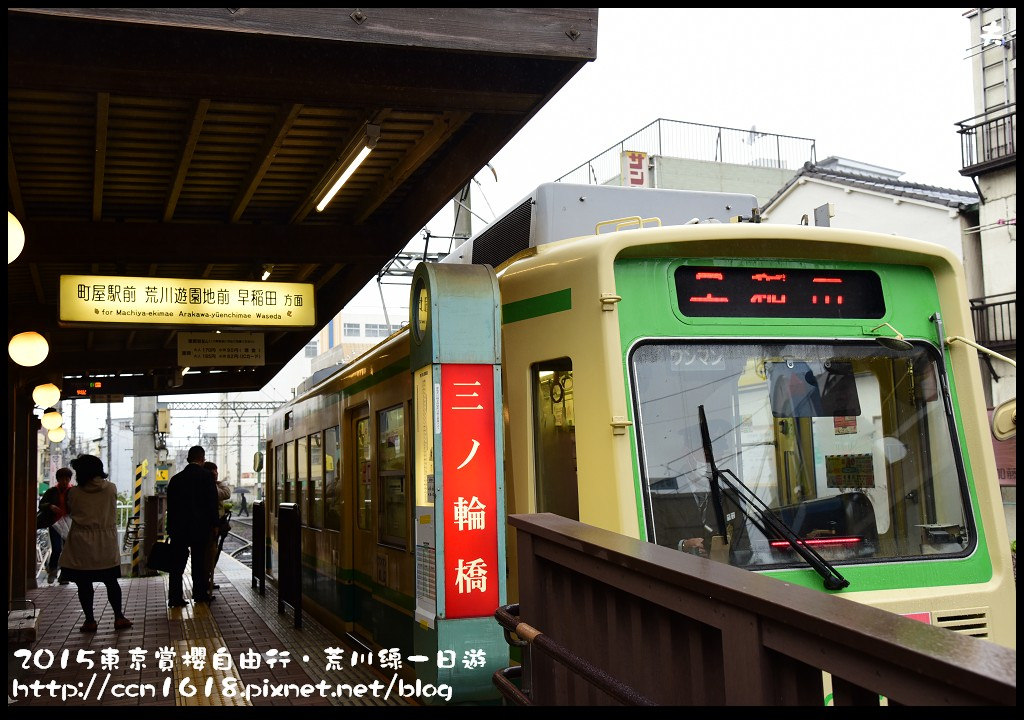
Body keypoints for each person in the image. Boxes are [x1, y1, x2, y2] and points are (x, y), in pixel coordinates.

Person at [58, 455, 132, 632]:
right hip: (105, 541)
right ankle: (119, 617)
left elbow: (69, 510)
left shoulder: (73, 492)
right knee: (111, 581)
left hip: (81, 542)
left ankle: (90, 620)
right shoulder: (111, 489)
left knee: (84, 583)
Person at [166, 446, 219, 607]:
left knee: (176, 564)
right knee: (199, 562)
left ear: (189, 459)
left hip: (179, 528)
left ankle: (175, 597)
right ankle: (200, 594)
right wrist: (215, 524)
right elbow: (212, 503)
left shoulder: (176, 479)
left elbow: (171, 506)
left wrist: (170, 528)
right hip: (200, 528)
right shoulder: (206, 477)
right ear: (202, 459)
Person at [39, 467, 73, 584]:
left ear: (69, 479)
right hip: (54, 524)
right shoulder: (52, 491)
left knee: (67, 550)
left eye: (67, 479)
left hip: (69, 524)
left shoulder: (73, 491)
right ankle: (53, 570)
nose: (64, 482)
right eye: (62, 479)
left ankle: (64, 575)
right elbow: (41, 504)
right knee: (57, 548)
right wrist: (50, 506)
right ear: (58, 479)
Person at [204, 461, 231, 592]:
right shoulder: (211, 486)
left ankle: (207, 581)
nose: (217, 474)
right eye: (215, 471)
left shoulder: (210, 485)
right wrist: (219, 483)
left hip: (210, 525)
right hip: (211, 526)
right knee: (209, 554)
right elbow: (226, 493)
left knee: (210, 554)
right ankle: (205, 582)